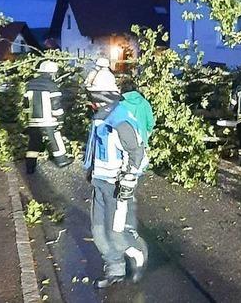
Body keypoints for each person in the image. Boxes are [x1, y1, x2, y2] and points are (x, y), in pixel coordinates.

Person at [84, 78, 154, 289]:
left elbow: (138, 153)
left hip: (117, 186)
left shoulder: (120, 121)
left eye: (92, 100)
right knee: (98, 232)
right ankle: (115, 271)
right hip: (100, 183)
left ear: (101, 99)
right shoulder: (99, 119)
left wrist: (128, 179)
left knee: (116, 232)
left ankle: (139, 253)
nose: (90, 105)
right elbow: (93, 148)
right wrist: (89, 169)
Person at [24, 60, 73, 174]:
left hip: (33, 120)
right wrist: (59, 118)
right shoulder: (52, 86)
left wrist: (28, 119)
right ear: (51, 73)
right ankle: (61, 160)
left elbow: (26, 104)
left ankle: (30, 166)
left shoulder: (29, 84)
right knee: (55, 138)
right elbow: (55, 105)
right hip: (48, 120)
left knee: (34, 142)